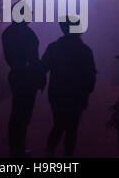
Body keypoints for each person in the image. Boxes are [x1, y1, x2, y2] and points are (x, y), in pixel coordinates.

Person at [41, 17, 97, 157]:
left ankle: (50, 148)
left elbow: (43, 67)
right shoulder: (85, 50)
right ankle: (67, 155)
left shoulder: (54, 47)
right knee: (72, 128)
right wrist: (88, 89)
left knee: (59, 125)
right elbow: (91, 73)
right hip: (77, 94)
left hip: (58, 93)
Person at [1, 2, 46, 158]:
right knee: (21, 113)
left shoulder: (10, 32)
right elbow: (29, 56)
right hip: (25, 76)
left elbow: (11, 57)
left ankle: (17, 146)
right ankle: (17, 148)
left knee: (21, 113)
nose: (31, 15)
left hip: (21, 75)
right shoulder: (25, 32)